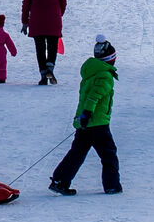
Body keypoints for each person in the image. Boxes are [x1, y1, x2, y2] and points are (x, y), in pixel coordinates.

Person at [51, 37, 122, 195]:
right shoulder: (105, 76)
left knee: (77, 153)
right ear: (111, 60)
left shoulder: (91, 73)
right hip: (97, 123)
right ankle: (112, 185)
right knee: (109, 154)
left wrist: (83, 117)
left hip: (85, 123)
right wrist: (88, 113)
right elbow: (93, 97)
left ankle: (60, 180)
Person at [21, 0, 67, 85]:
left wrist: (25, 21)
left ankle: (43, 75)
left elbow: (26, 4)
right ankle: (50, 68)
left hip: (36, 20)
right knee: (52, 45)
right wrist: (59, 13)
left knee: (40, 48)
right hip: (54, 18)